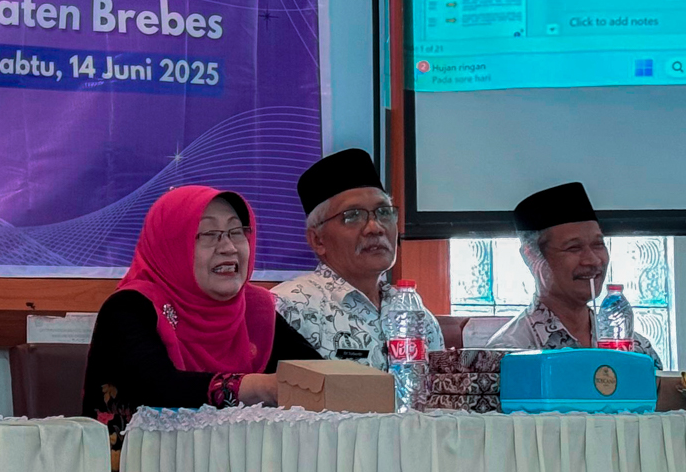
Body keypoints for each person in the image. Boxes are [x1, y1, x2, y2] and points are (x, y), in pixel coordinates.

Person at [82, 185, 319, 454]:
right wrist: (260, 387)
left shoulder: (255, 310)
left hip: (240, 469)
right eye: (208, 234)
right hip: (142, 470)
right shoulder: (130, 307)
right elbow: (158, 388)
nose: (229, 247)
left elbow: (315, 373)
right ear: (171, 244)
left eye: (236, 232)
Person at [273, 148, 443, 363]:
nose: (375, 227)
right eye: (352, 216)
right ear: (318, 240)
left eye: (384, 212)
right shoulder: (287, 308)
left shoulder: (416, 314)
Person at [484, 182, 662, 367]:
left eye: (598, 245)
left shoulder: (637, 351)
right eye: (574, 248)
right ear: (532, 257)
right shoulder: (508, 354)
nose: (593, 260)